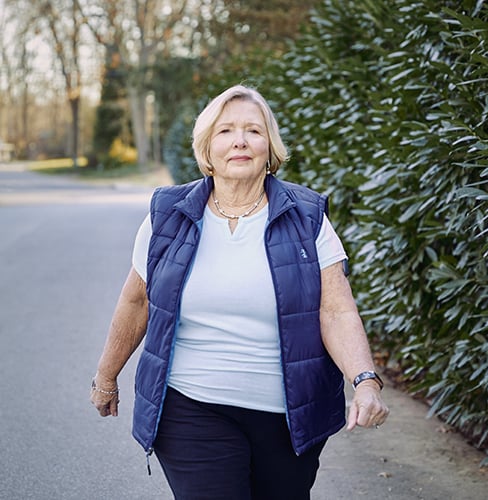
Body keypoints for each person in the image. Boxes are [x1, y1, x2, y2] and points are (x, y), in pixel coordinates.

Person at [90, 84, 389, 500]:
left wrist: (365, 380)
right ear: (207, 148)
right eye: (226, 131)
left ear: (270, 147)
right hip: (191, 404)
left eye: (254, 130)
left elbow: (335, 311)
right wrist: (106, 377)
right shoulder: (167, 217)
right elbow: (136, 300)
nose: (240, 141)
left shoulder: (307, 219)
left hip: (288, 416)